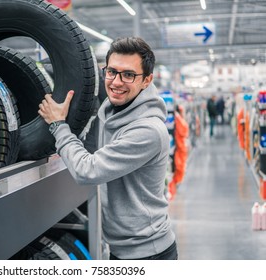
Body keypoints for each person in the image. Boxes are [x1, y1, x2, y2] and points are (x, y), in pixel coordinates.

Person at [38, 37, 177, 260]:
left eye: (128, 75)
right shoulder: (110, 109)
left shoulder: (148, 130)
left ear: (147, 80)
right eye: (111, 72)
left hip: (148, 253)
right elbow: (89, 149)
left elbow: (88, 170)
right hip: (117, 247)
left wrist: (58, 124)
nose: (116, 82)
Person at [168, 105, 189, 199]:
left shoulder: (178, 119)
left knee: (179, 165)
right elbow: (185, 130)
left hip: (179, 146)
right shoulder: (178, 119)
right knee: (178, 165)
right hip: (178, 147)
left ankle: (175, 182)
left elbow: (184, 130)